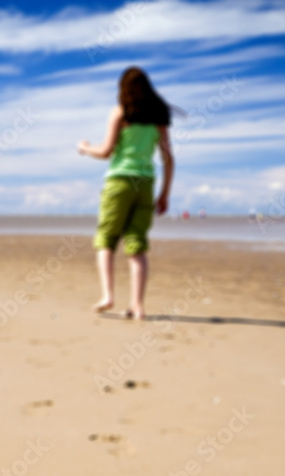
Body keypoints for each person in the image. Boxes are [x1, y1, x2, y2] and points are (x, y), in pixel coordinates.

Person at [78, 66, 174, 319]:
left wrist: (85, 148)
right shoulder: (158, 119)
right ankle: (138, 306)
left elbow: (106, 151)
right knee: (137, 245)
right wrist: (164, 194)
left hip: (119, 181)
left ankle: (108, 295)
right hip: (145, 183)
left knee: (106, 239)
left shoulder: (120, 113)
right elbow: (168, 159)